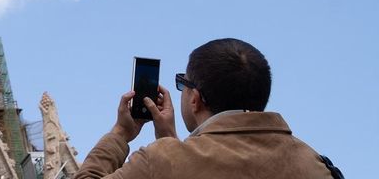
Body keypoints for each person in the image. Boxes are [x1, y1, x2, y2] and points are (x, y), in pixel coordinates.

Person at [76, 38, 341, 179]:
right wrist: (170, 144)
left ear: (196, 99)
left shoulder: (160, 162)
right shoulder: (316, 165)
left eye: (183, 84)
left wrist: (121, 133)